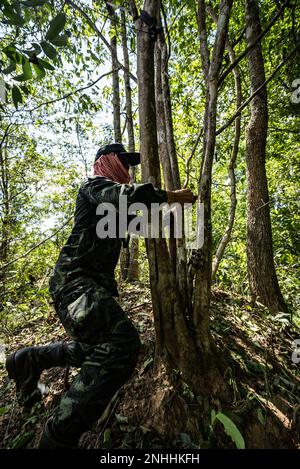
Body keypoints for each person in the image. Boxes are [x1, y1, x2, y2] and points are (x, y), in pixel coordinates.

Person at [6, 143, 196, 449]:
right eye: (123, 161)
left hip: (88, 287)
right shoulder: (94, 187)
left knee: (90, 349)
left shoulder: (117, 214)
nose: (128, 169)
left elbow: (152, 222)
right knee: (122, 344)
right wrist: (173, 195)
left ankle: (30, 358)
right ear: (105, 162)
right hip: (74, 282)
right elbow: (128, 195)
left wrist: (179, 213)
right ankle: (57, 435)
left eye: (129, 164)